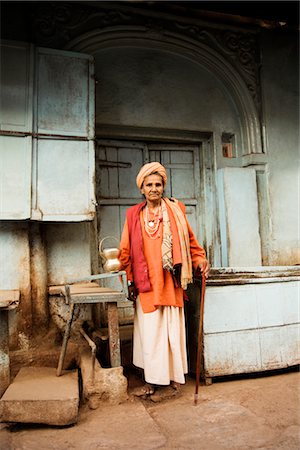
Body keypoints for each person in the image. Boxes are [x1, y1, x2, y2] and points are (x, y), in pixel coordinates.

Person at [119, 162, 210, 398]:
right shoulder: (133, 215)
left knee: (171, 333)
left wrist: (200, 260)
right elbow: (125, 250)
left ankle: (172, 381)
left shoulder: (175, 211)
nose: (154, 189)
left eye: (158, 184)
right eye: (149, 185)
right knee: (150, 335)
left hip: (170, 282)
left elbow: (190, 241)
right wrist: (129, 279)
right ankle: (151, 381)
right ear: (142, 189)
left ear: (163, 186)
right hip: (146, 284)